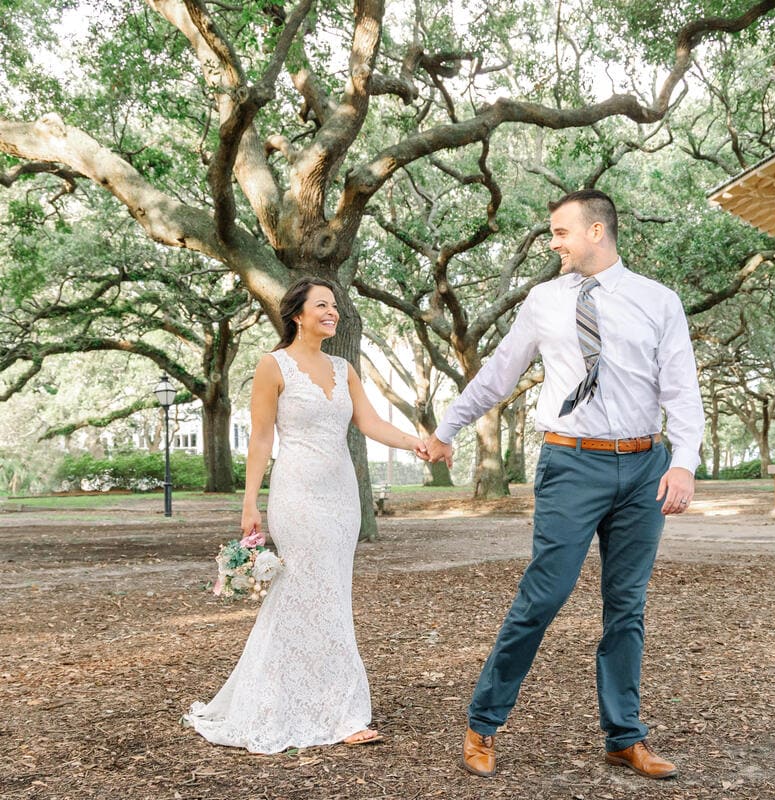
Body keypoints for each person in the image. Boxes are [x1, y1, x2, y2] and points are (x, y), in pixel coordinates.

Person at [424, 189, 703, 780]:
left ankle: (624, 736)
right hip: (571, 464)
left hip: (643, 467)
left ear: (596, 231)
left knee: (626, 606)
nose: (553, 244)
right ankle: (483, 723)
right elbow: (500, 371)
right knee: (544, 595)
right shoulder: (544, 301)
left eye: (560, 232)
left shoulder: (658, 300)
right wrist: (448, 426)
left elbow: (680, 387)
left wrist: (684, 461)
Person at [185, 277, 428, 754]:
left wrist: (417, 442)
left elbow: (371, 424)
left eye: (334, 306)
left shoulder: (344, 367)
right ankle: (309, 708)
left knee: (333, 595)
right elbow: (259, 439)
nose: (332, 312)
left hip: (341, 498)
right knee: (303, 591)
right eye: (322, 305)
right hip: (296, 495)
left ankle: (335, 706)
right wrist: (249, 502)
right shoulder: (272, 366)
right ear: (297, 314)